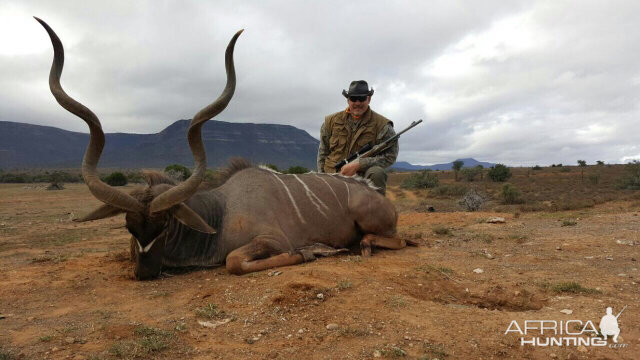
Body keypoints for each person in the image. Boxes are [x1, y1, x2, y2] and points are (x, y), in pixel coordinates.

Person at [317, 80, 398, 194]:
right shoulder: (330, 121)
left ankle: (375, 210)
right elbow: (323, 152)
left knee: (377, 173)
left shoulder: (382, 125)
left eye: (362, 99)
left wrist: (360, 165)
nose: (358, 103)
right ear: (348, 100)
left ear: (369, 99)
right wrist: (320, 177)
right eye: (354, 99)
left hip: (361, 177)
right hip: (332, 175)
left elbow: (390, 156)